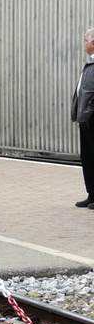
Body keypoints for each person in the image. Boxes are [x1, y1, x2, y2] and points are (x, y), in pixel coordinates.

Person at [72, 27, 94, 209]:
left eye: (86, 40)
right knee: (87, 157)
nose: (85, 43)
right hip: (86, 119)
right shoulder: (90, 63)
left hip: (92, 117)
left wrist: (89, 110)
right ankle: (92, 194)